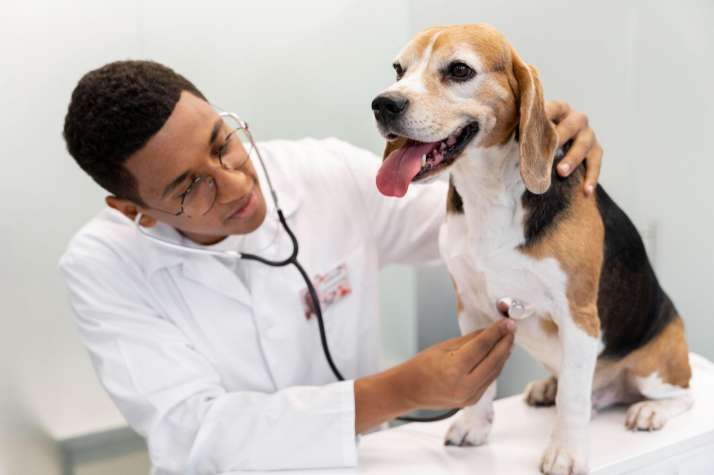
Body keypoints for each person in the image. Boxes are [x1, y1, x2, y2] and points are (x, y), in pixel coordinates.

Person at [60, 60, 603, 474]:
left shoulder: (320, 170)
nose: (235, 184)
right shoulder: (102, 266)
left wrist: (532, 145)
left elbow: (469, 231)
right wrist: (399, 392)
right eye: (188, 187)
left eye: (222, 142)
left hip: (368, 459)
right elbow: (190, 432)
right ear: (132, 210)